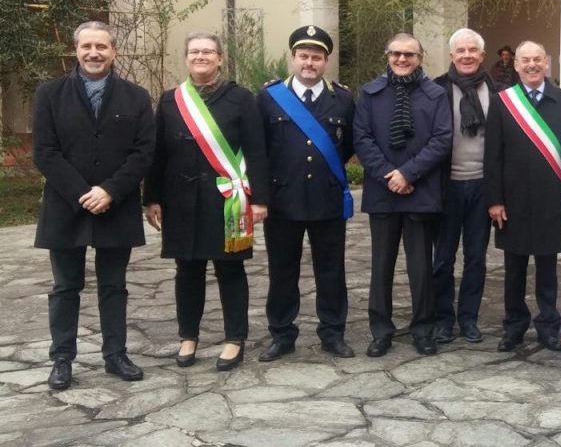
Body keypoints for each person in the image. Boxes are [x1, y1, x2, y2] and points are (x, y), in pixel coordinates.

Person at [33, 21, 155, 389]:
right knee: (65, 287)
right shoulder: (49, 94)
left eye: (101, 46)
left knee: (114, 286)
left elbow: (143, 153)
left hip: (116, 206)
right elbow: (45, 152)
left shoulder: (136, 97)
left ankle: (115, 355)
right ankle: (62, 359)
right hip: (66, 206)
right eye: (86, 46)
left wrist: (110, 191)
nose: (94, 53)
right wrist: (82, 193)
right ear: (76, 50)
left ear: (114, 51)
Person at [144, 32, 269, 371]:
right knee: (187, 270)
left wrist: (259, 199)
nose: (201, 56)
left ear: (220, 58)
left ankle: (234, 339)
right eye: (195, 51)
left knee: (230, 268)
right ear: (186, 58)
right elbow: (158, 152)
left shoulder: (241, 98)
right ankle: (188, 337)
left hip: (226, 198)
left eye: (208, 52)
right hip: (180, 199)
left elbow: (256, 149)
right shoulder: (170, 99)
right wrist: (151, 197)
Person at [256, 25, 356, 362]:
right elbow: (259, 150)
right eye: (303, 56)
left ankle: (333, 333)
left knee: (332, 271)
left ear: (326, 61)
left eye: (316, 57)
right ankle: (282, 334)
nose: (309, 63)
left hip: (327, 199)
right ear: (293, 58)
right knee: (282, 271)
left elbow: (348, 145)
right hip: (283, 200)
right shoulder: (269, 97)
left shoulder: (343, 98)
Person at [354, 32, 452, 357]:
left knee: (420, 268)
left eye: (409, 54)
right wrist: (390, 176)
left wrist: (408, 174)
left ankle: (423, 330)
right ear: (388, 56)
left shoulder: (435, 95)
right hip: (383, 192)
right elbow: (362, 138)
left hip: (420, 191)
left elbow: (442, 139)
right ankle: (381, 331)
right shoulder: (370, 93)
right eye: (395, 53)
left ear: (419, 58)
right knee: (381, 266)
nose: (401, 59)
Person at [486, 40, 561, 351]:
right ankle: (514, 326)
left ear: (546, 62)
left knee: (548, 268)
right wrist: (495, 200)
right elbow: (492, 155)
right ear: (516, 65)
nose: (531, 65)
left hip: (552, 197)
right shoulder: (502, 101)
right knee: (513, 269)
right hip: (512, 201)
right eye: (525, 60)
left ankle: (549, 326)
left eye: (537, 59)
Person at [431, 28, 501, 345]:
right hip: (446, 188)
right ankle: (443, 319)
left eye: (473, 50)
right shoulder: (435, 90)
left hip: (482, 187)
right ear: (452, 55)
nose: (467, 55)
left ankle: (469, 319)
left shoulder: (498, 92)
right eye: (461, 50)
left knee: (476, 258)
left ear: (482, 55)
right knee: (443, 259)